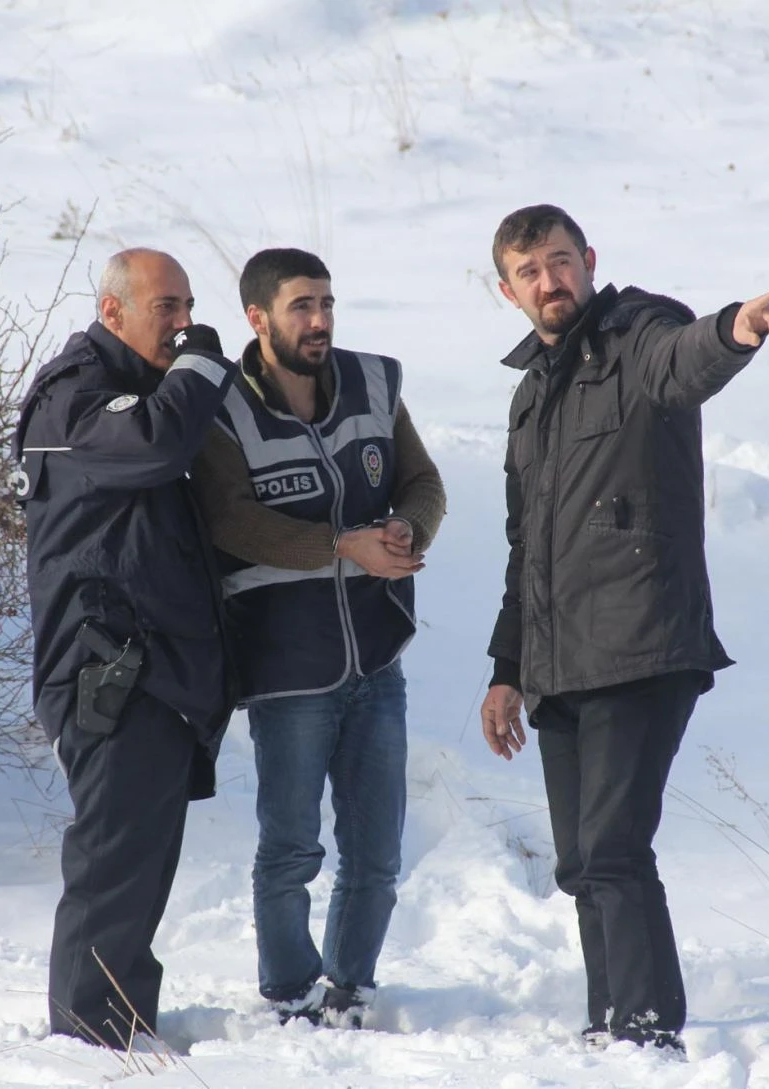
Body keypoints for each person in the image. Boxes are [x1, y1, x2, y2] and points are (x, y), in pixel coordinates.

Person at [477, 205, 769, 1052]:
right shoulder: (529, 396)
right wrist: (508, 666)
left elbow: (685, 361)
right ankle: (608, 1022)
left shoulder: (637, 332)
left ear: (589, 259)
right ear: (507, 290)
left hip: (641, 644)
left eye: (561, 259)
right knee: (582, 862)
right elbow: (524, 549)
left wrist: (735, 328)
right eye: (530, 270)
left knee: (613, 846)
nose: (551, 279)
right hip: (558, 661)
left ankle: (647, 1031)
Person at [191, 247, 445, 1028]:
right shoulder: (222, 407)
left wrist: (407, 525)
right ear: (258, 317)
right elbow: (230, 519)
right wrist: (343, 545)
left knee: (376, 853)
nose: (321, 320)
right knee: (293, 850)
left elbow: (424, 482)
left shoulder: (372, 382)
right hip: (287, 669)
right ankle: (290, 991)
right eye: (302, 306)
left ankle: (352, 986)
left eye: (328, 303)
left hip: (377, 659)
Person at [12, 248, 238, 1048]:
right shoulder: (74, 398)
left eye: (188, 305)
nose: (181, 322)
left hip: (152, 674)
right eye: (164, 308)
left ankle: (118, 1022)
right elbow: (153, 445)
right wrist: (204, 366)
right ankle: (87, 1038)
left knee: (140, 864)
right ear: (112, 312)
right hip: (109, 672)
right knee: (112, 864)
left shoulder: (136, 391)